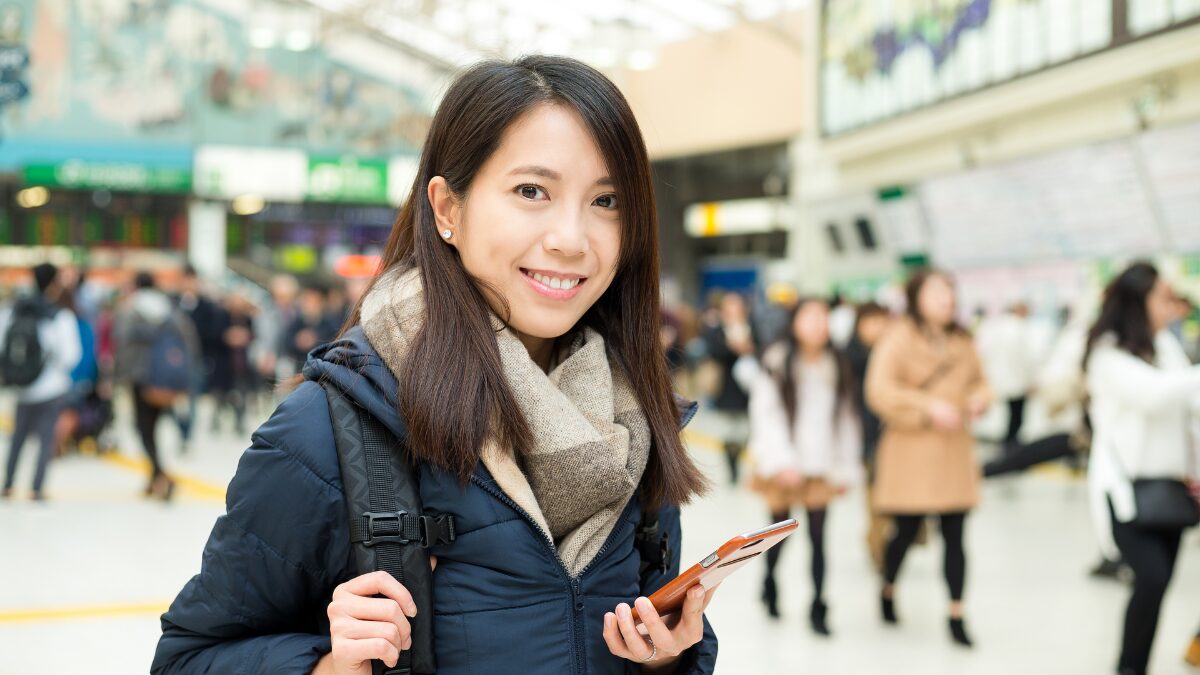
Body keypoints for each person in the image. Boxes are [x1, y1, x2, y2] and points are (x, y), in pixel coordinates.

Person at [152, 56, 718, 675]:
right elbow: (189, 658)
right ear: (448, 210)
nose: (572, 238)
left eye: (606, 200)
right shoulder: (334, 427)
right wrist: (328, 667)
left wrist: (666, 660)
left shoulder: (630, 420)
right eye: (532, 191)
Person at [1083, 262, 1200, 675]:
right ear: (1138, 300)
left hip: (1170, 490)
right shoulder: (1107, 353)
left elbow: (1190, 405)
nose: (1170, 306)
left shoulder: (1165, 346)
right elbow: (1152, 395)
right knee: (1149, 578)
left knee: (1159, 584)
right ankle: (1129, 668)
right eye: (1161, 297)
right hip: (1126, 492)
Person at [866, 268, 992, 648]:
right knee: (904, 532)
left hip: (954, 452)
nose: (946, 300)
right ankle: (888, 587)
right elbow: (879, 390)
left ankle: (957, 612)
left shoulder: (962, 340)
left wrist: (979, 399)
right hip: (911, 452)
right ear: (917, 297)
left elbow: (982, 381)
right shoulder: (897, 339)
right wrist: (928, 408)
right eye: (937, 293)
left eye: (949, 293)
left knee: (956, 534)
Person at [747, 297, 861, 635]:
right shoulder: (778, 361)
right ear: (795, 322)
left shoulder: (836, 364)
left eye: (823, 318)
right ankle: (769, 582)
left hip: (821, 465)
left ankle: (818, 605)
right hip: (785, 465)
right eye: (810, 317)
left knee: (818, 537)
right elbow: (766, 414)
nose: (817, 324)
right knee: (778, 535)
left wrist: (845, 466)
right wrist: (782, 461)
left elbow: (846, 419)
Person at [115, 272, 200, 501]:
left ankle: (161, 475)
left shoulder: (131, 310)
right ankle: (154, 478)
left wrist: (118, 375)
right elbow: (189, 343)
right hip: (166, 379)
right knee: (154, 427)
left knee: (143, 429)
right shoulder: (171, 309)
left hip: (140, 376)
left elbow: (122, 344)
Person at [0, 263, 82, 501]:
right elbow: (71, 356)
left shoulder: (13, 311)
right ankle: (37, 488)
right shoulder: (59, 316)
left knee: (18, 437)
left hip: (21, 387)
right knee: (46, 439)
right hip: (52, 387)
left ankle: (8, 484)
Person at [845, 301, 891, 571]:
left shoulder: (891, 355)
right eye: (870, 322)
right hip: (865, 437)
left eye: (881, 321)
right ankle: (877, 548)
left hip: (893, 438)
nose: (877, 328)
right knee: (876, 498)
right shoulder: (850, 358)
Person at [703, 292, 756, 484]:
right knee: (728, 432)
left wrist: (749, 348)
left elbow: (761, 349)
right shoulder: (716, 330)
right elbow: (713, 352)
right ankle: (732, 467)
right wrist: (733, 347)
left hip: (748, 389)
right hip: (725, 388)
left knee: (744, 432)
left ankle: (739, 459)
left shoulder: (752, 327)